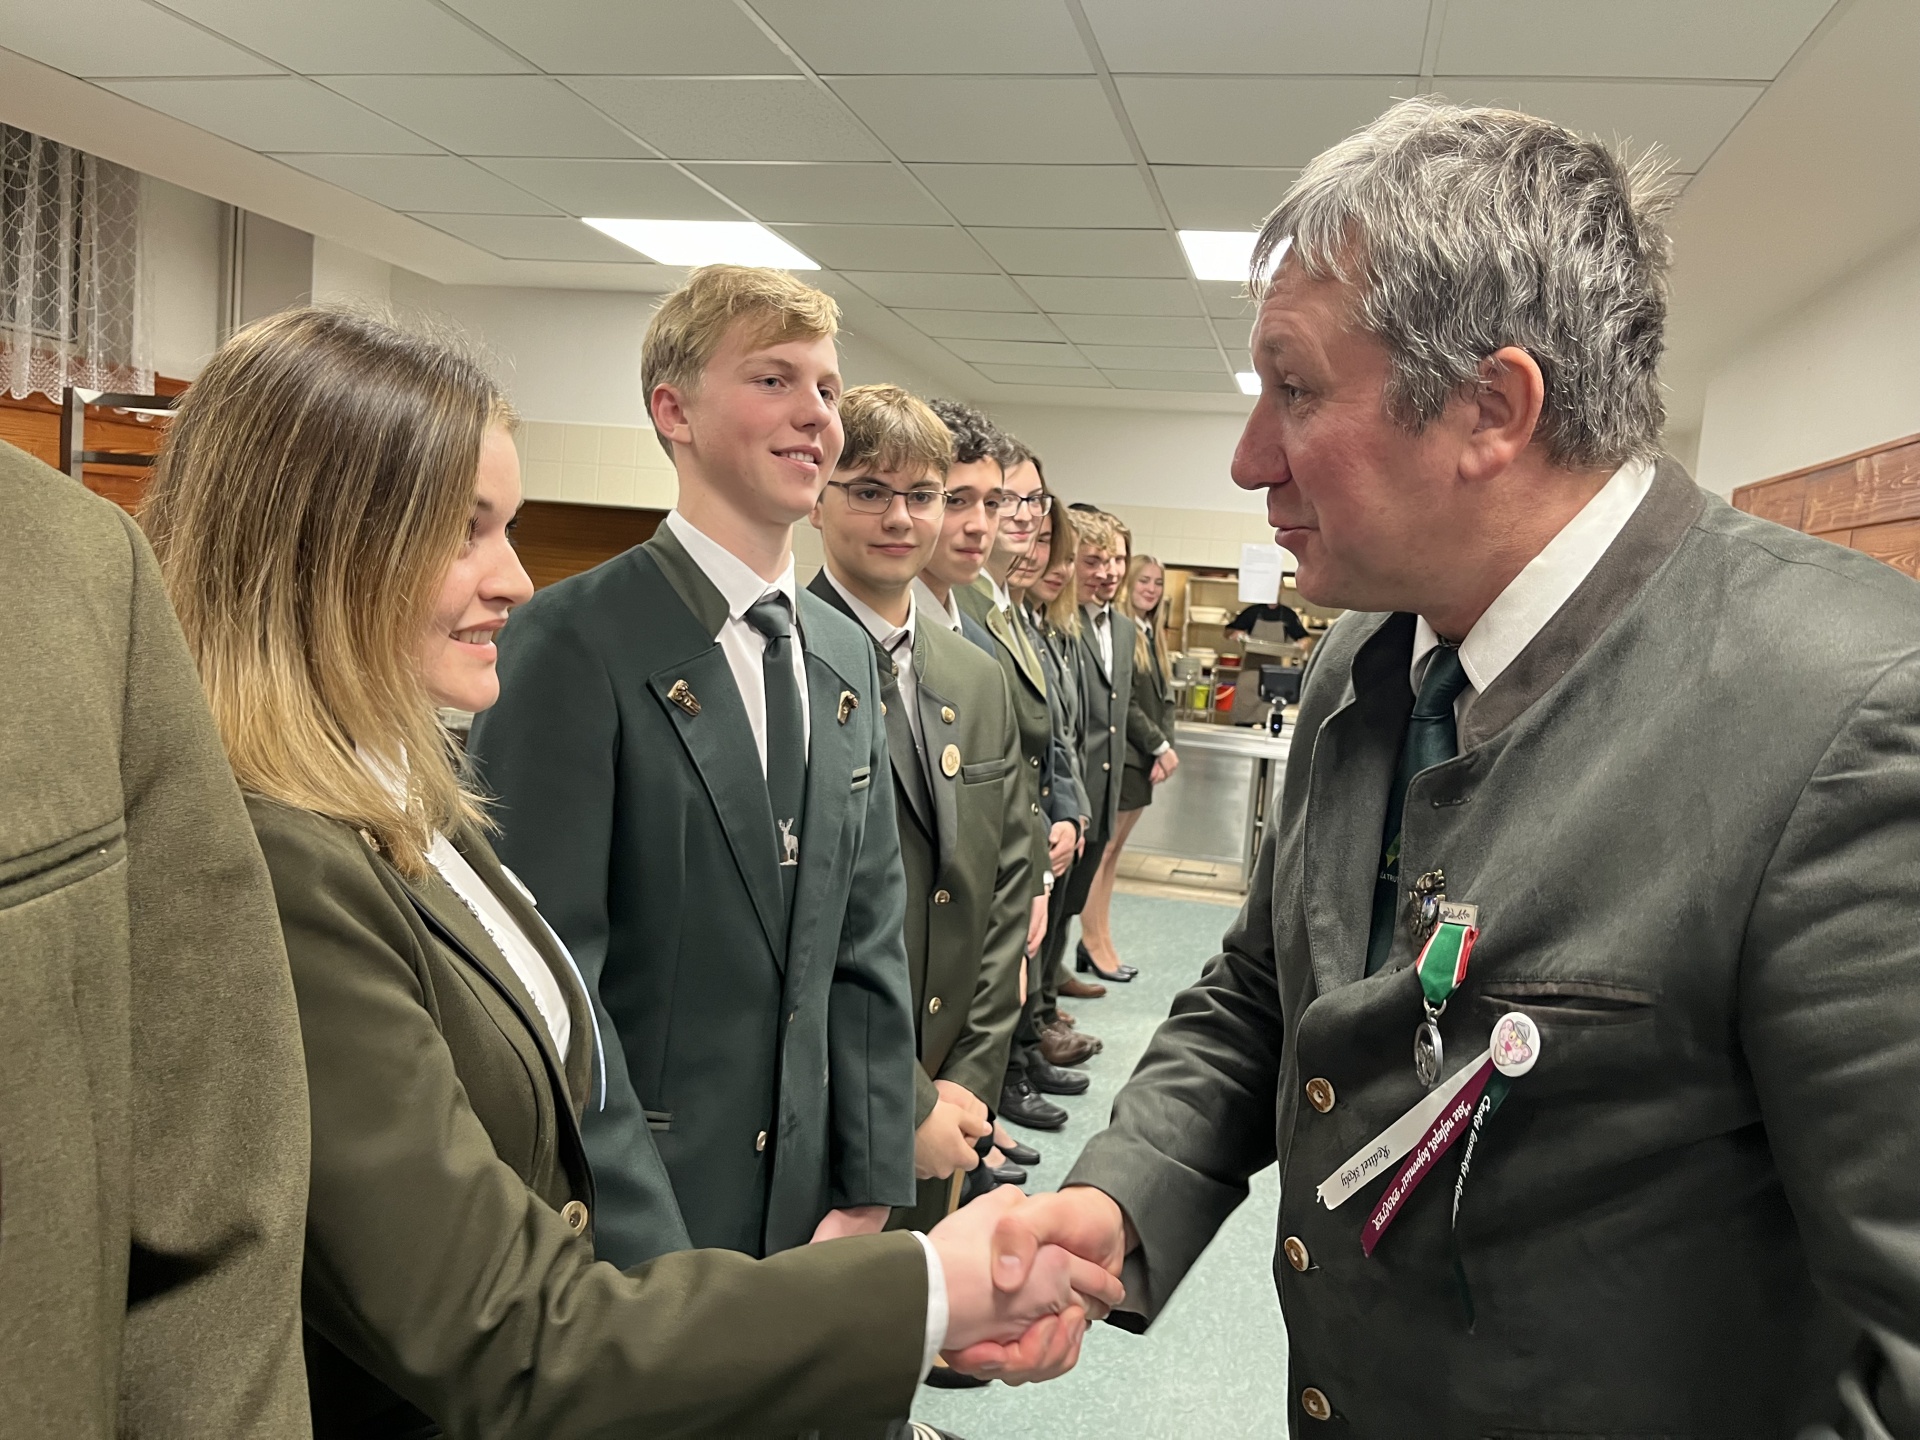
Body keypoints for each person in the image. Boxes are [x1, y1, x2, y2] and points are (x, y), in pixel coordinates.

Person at [971, 98, 1920, 1436]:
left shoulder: (1848, 712)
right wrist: (1125, 1193)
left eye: (1296, 390)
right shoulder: (1373, 654)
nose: (1250, 459)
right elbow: (1271, 988)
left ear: (1491, 409)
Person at [141, 305, 1118, 1439]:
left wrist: (860, 1198)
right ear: (317, 544)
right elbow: (509, 1331)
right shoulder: (279, 865)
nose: (514, 578)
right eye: (463, 532)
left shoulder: (408, 803)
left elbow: (826, 954)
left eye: (506, 527)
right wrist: (924, 1291)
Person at [470, 266, 918, 1268]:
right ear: (673, 411)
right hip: (641, 1214)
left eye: (829, 388)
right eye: (774, 380)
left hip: (813, 1210)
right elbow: (547, 988)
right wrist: (648, 1253)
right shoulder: (571, 643)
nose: (817, 414)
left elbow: (868, 941)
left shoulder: (843, 655)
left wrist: (871, 1183)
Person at [0, 436, 310, 1437]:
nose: (517, 579)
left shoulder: (71, 560)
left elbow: (215, 1223)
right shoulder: (301, 857)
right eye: (465, 527)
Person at [804, 383, 1031, 1238]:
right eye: (869, 490)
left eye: (923, 494)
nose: (900, 517)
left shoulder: (976, 676)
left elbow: (1003, 886)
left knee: (919, 1290)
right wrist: (904, 1100)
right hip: (824, 1086)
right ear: (817, 500)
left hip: (952, 1088)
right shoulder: (781, 659)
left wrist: (965, 1081)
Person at [1058, 510, 1136, 986]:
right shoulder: (1061, 624)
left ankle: (1055, 978)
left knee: (1075, 892)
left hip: (1106, 785)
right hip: (1070, 784)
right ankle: (1045, 992)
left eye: (1116, 561)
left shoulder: (1124, 628)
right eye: (1094, 561)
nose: (1108, 573)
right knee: (1054, 892)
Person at [1223, 597, 1307, 643]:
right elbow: (1228, 632)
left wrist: (1304, 643)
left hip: (1276, 663)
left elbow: (1304, 638)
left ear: (1282, 589)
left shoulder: (1288, 614)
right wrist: (1236, 634)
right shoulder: (1252, 611)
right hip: (1251, 662)